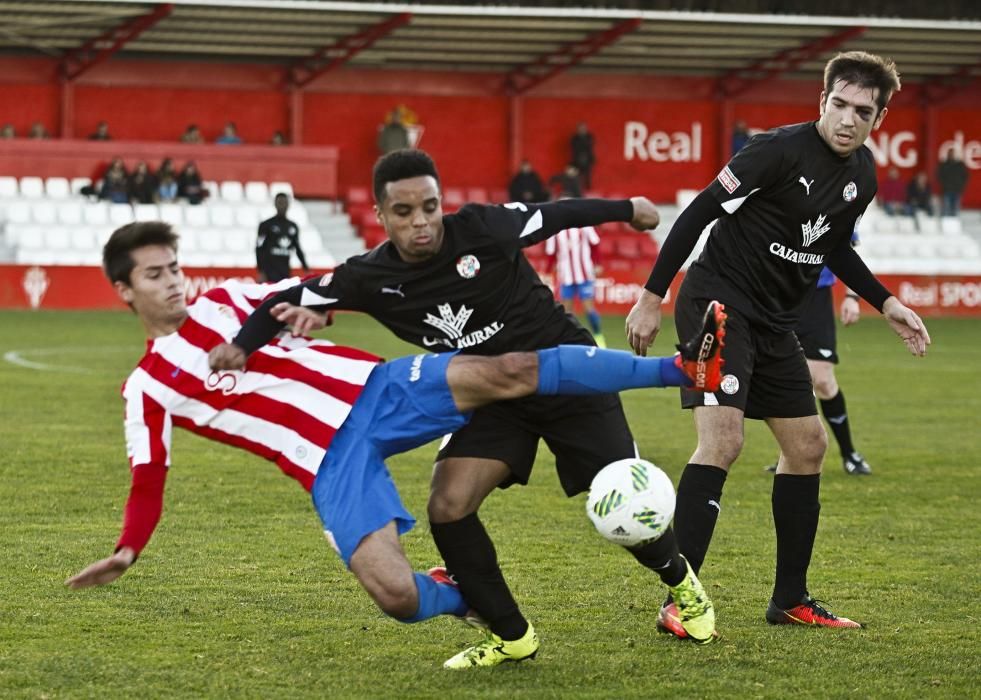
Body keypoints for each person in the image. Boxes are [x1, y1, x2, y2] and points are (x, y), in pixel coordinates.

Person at [66, 220, 726, 655]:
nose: (174, 280)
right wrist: (128, 550)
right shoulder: (146, 388)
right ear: (125, 291)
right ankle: (469, 600)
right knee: (395, 596)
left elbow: (307, 290)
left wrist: (310, 308)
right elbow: (148, 476)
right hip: (328, 466)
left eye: (175, 266)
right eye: (155, 275)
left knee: (509, 369)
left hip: (376, 391)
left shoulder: (231, 299)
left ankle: (680, 367)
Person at [228, 148, 722, 668]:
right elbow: (280, 302)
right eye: (404, 212)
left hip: (569, 374)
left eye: (429, 206)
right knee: (448, 505)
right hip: (489, 394)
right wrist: (242, 346)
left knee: (625, 505)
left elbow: (556, 214)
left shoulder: (481, 228)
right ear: (380, 215)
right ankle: (512, 635)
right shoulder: (368, 277)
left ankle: (682, 586)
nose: (421, 221)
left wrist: (629, 207)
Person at [625, 51, 931, 635]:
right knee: (724, 440)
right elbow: (698, 212)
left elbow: (835, 246)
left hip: (772, 320)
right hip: (717, 304)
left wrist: (887, 302)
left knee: (809, 446)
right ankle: (680, 602)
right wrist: (650, 295)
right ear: (822, 100)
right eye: (838, 104)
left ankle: (789, 599)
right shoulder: (776, 150)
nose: (846, 119)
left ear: (877, 119)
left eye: (861, 111)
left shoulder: (861, 175)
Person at [765, 267, 871, 475]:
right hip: (778, 295)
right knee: (781, 378)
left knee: (822, 380)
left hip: (816, 297)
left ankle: (849, 454)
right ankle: (790, 455)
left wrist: (852, 296)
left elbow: (848, 248)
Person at [545, 216, 606, 347]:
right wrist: (547, 271)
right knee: (567, 312)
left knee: (589, 308)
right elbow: (551, 254)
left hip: (585, 273)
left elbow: (594, 244)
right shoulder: (555, 229)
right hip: (566, 276)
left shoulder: (584, 224)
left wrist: (598, 263)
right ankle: (570, 340)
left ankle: (598, 336)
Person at [256, 193, 309, 282]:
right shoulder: (265, 225)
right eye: (280, 202)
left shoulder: (293, 226)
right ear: (275, 204)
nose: (282, 205)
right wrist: (261, 271)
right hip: (269, 272)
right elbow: (259, 249)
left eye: (284, 202)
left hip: (285, 272)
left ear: (288, 205)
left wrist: (306, 268)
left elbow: (297, 248)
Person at [936, 147, 969, 217]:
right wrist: (944, 185)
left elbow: (965, 176)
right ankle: (945, 224)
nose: (951, 155)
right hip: (947, 190)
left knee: (956, 210)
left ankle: (954, 224)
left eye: (953, 153)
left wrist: (961, 186)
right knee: (946, 209)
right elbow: (939, 176)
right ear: (948, 154)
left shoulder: (960, 164)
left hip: (957, 190)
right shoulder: (943, 164)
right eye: (950, 153)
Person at [570, 122, 595, 190]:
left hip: (587, 159)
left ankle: (588, 190)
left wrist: (590, 158)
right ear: (577, 129)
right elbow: (574, 149)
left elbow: (590, 148)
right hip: (577, 160)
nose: (582, 130)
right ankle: (578, 190)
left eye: (583, 128)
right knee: (577, 177)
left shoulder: (589, 137)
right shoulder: (575, 138)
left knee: (587, 177)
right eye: (580, 128)